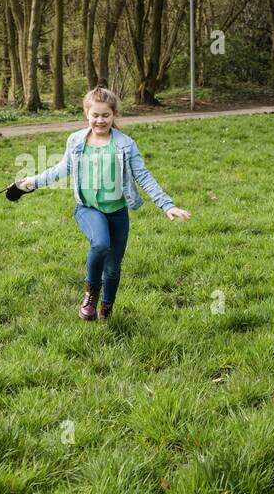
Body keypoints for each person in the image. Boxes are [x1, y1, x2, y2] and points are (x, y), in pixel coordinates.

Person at [15, 86, 191, 321]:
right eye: (95, 115)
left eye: (105, 115)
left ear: (114, 115)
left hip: (117, 212)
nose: (100, 120)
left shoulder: (125, 144)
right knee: (100, 244)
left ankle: (106, 308)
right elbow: (62, 168)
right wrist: (32, 182)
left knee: (113, 268)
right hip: (87, 209)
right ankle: (91, 293)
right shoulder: (76, 141)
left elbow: (144, 176)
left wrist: (167, 205)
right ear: (87, 114)